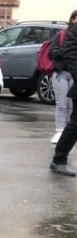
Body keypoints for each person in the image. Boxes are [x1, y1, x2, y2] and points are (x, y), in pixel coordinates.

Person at [48, 11, 77, 176]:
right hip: (64, 75)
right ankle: (59, 160)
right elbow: (71, 55)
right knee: (75, 124)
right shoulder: (71, 33)